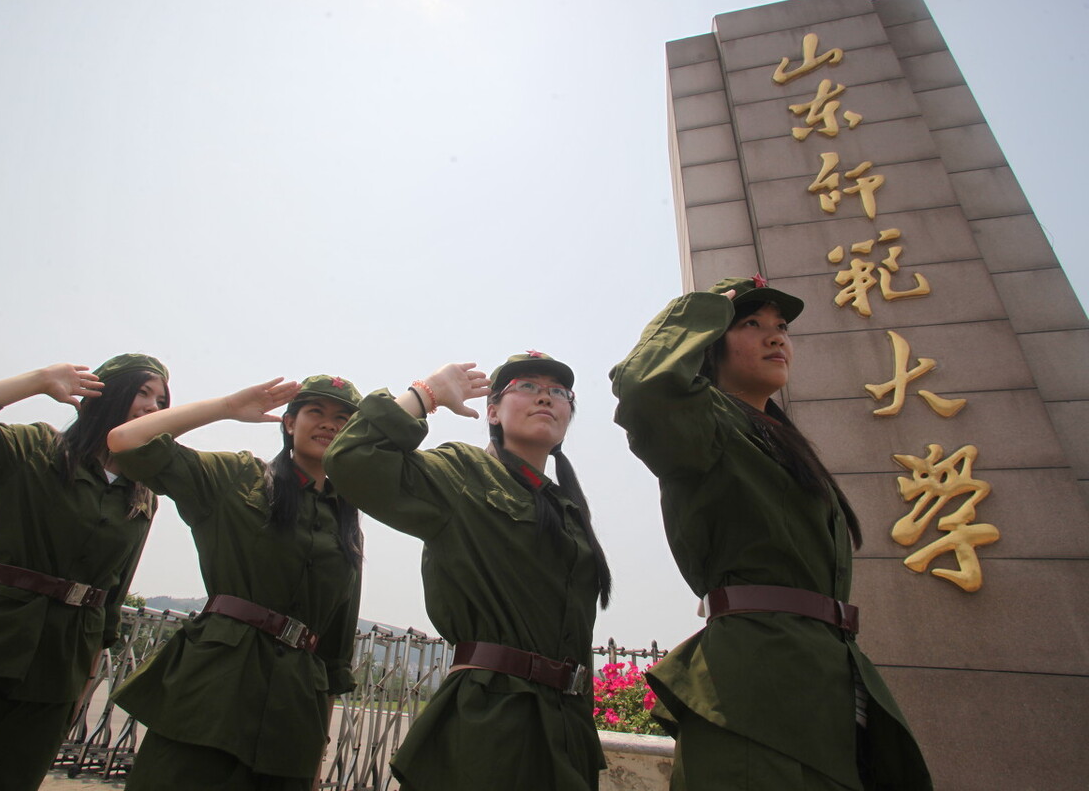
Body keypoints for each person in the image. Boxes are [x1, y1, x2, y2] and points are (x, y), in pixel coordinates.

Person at [610, 276, 932, 790]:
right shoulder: (703, 425)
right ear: (710, 344)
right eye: (752, 324)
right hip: (752, 693)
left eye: (781, 327)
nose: (777, 337)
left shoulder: (780, 440)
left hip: (822, 681)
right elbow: (646, 386)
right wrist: (709, 306)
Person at [324, 352, 613, 791]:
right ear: (492, 411)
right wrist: (427, 394)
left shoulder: (566, 508)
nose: (546, 399)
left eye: (559, 392)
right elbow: (351, 458)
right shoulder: (463, 473)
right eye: (528, 388)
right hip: (491, 723)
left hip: (566, 732)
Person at [0, 354, 170, 790]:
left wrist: (84, 683)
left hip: (58, 670)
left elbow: (112, 602)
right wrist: (37, 381)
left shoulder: (142, 498)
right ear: (104, 394)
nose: (154, 406)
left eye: (162, 400)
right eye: (143, 392)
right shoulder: (37, 450)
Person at [105, 374, 364, 791]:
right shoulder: (238, 477)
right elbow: (125, 441)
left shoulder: (346, 520)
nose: (330, 424)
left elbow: (334, 654)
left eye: (343, 419)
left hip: (293, 712)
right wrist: (226, 407)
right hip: (211, 691)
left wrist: (314, 754)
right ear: (288, 423)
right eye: (316, 412)